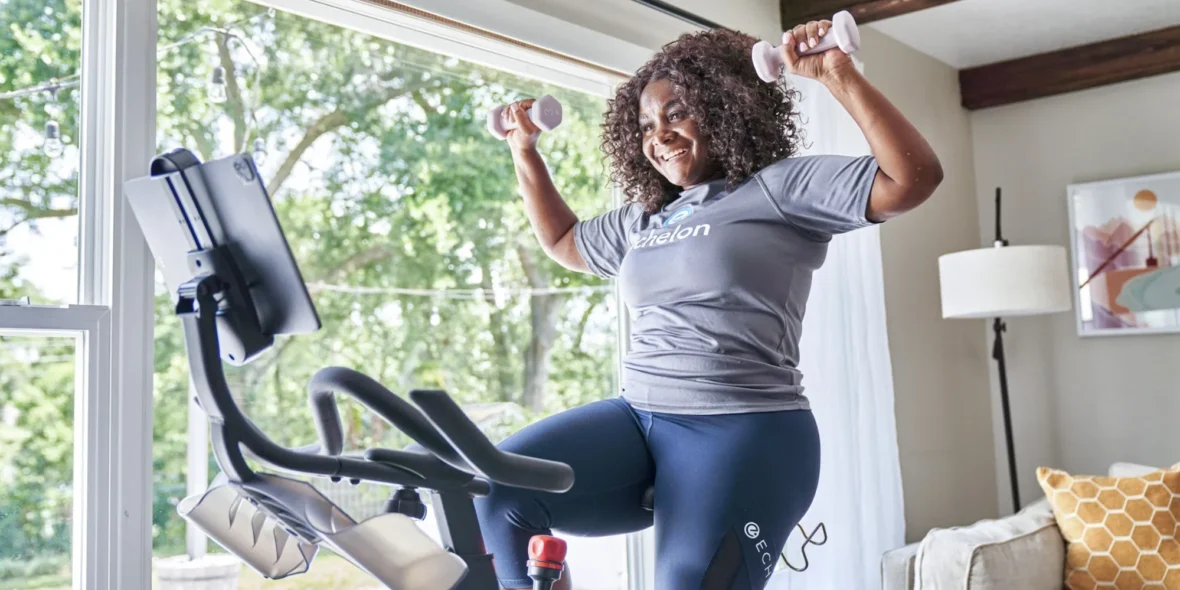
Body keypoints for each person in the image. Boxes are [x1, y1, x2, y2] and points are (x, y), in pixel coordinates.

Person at [474, 17, 942, 590]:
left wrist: (836, 73)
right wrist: (525, 150)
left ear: (727, 108)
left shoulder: (778, 188)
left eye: (676, 114)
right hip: (638, 418)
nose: (659, 136)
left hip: (744, 432)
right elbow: (564, 242)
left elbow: (910, 178)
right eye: (646, 124)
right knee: (499, 490)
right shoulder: (646, 216)